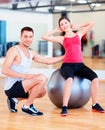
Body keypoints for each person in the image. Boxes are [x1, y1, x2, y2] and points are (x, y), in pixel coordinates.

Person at [41, 16, 105, 116]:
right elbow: (44, 36)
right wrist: (55, 30)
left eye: (66, 23)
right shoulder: (62, 38)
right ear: (60, 28)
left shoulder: (79, 34)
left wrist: (79, 25)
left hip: (80, 65)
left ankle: (95, 104)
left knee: (95, 78)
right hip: (67, 65)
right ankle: (64, 106)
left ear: (70, 23)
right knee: (70, 79)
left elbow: (92, 22)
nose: (64, 26)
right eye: (62, 25)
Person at [2, 26, 64, 116]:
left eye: (30, 37)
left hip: (22, 85)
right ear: (21, 37)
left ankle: (14, 100)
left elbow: (47, 61)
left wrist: (64, 57)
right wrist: (26, 76)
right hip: (11, 88)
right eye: (25, 36)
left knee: (42, 91)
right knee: (41, 78)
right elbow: (4, 70)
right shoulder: (14, 50)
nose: (28, 39)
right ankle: (27, 106)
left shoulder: (31, 53)